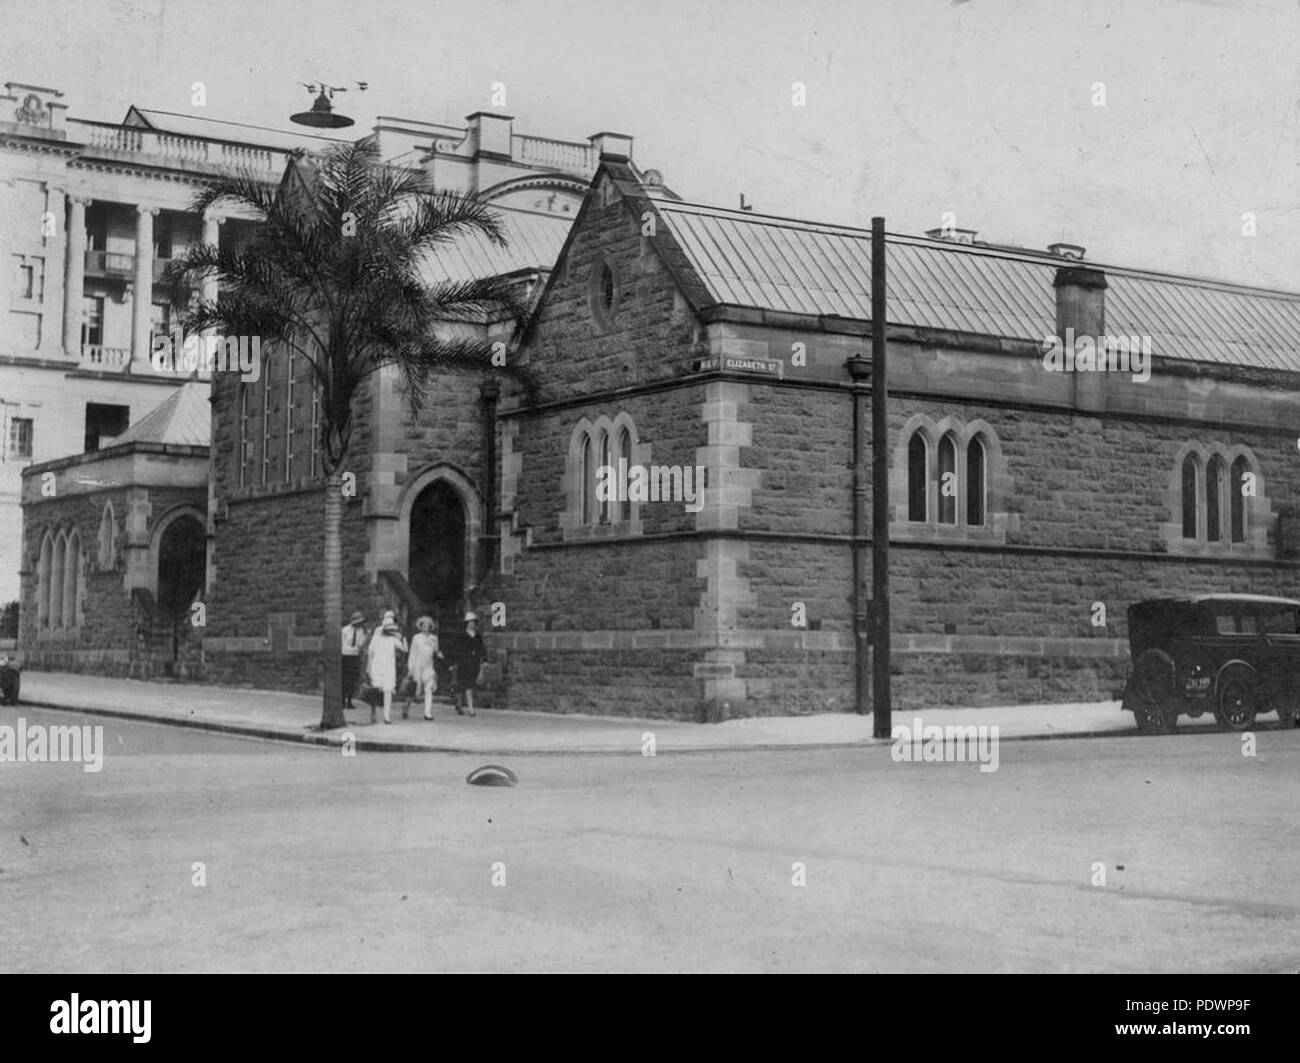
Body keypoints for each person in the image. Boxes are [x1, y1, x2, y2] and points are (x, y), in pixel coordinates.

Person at [365, 610, 407, 725]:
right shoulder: (377, 633)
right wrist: (368, 666)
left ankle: (386, 715)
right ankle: (373, 712)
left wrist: (402, 638)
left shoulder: (394, 636)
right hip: (377, 665)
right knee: (375, 690)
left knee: (388, 691)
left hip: (389, 667)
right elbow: (371, 651)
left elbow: (404, 649)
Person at [403, 615, 442, 721]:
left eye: (427, 625)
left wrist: (439, 654)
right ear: (420, 626)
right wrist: (411, 667)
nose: (425, 626)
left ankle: (427, 713)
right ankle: (406, 707)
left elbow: (436, 650)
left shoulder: (434, 638)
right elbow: (412, 653)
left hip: (429, 666)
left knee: (429, 689)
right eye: (423, 625)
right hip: (417, 666)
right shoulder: (416, 638)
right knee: (414, 690)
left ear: (430, 626)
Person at [449, 612, 487, 717]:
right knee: (464, 685)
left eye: (473, 622)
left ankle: (462, 705)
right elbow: (456, 649)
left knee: (468, 684)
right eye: (470, 622)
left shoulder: (477, 636)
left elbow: (482, 649)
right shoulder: (461, 635)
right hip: (463, 662)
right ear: (466, 623)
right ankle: (468, 707)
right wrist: (454, 662)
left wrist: (483, 661)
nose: (472, 624)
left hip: (473, 662)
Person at [340, 610, 367, 708]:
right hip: (345, 656)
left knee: (352, 680)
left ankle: (350, 701)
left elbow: (360, 645)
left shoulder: (361, 631)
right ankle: (342, 700)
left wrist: (365, 637)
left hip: (355, 657)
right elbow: (342, 644)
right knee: (344, 680)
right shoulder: (344, 630)